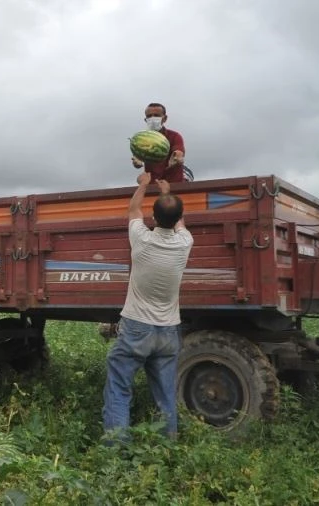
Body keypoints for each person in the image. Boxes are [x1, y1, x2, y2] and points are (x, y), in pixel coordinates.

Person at [102, 172, 193, 442]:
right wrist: (167, 193)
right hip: (168, 330)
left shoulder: (142, 240)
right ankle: (167, 443)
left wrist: (143, 185)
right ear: (178, 221)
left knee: (119, 386)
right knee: (165, 393)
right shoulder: (184, 243)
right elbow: (179, 223)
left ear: (153, 219)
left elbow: (133, 210)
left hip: (136, 328)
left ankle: (116, 448)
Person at [132, 103, 187, 183]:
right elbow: (137, 160)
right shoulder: (142, 139)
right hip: (152, 187)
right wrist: (137, 161)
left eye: (156, 115)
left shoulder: (175, 136)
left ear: (165, 118)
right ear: (145, 120)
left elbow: (178, 152)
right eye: (149, 116)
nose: (152, 118)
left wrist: (177, 157)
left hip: (174, 185)